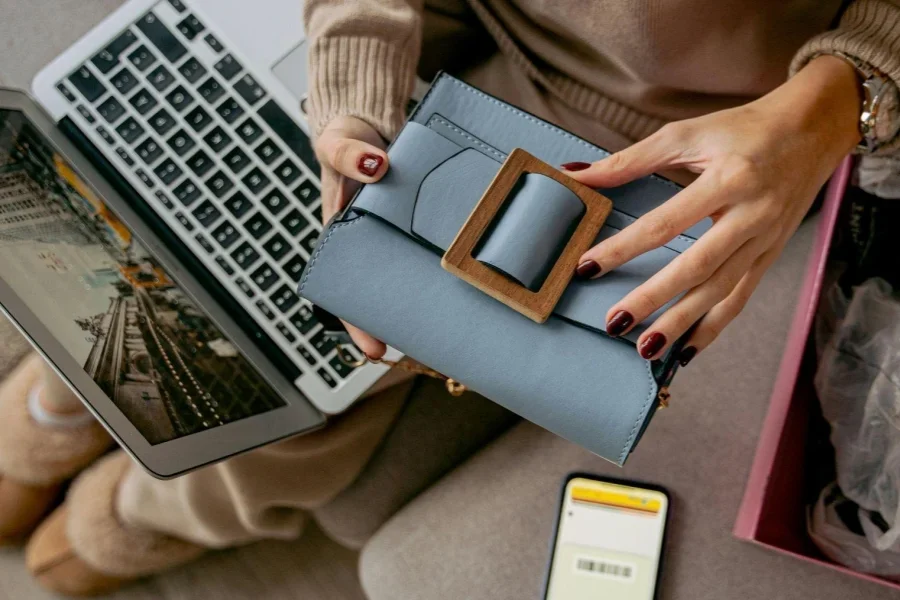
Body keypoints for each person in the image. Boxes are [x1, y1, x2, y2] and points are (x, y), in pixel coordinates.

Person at [1, 0, 899, 595]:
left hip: (685, 131)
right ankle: (62, 401)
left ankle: (139, 505)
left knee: (332, 364)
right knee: (179, 218)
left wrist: (830, 106)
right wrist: (353, 80)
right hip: (424, 30)